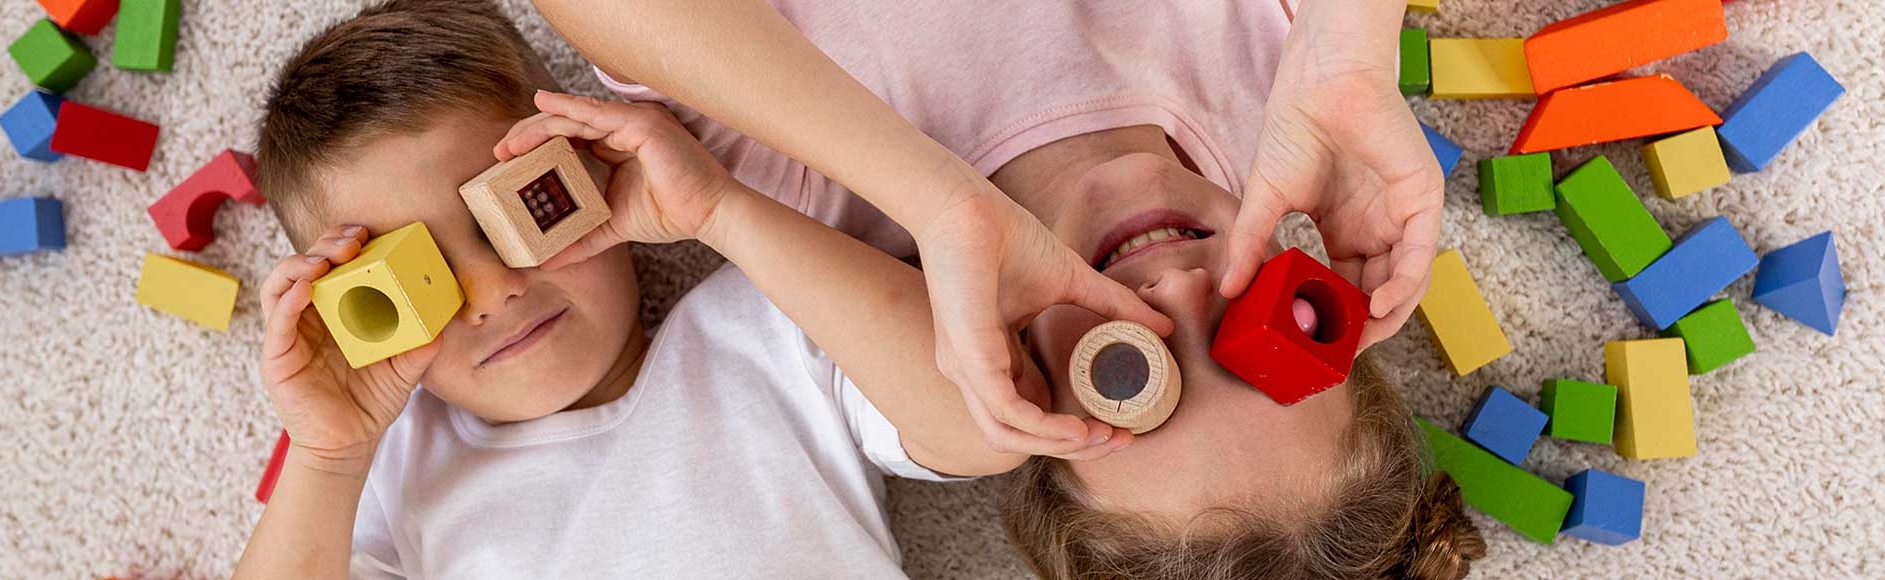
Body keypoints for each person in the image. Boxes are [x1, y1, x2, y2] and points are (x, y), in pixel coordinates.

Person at [526, 0, 1482, 577]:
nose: (1184, 291)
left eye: (1132, 372)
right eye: (1252, 332)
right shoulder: (1285, 82)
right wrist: (1351, 53)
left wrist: (937, 198)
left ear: (1018, 389)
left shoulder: (826, 178)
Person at [230, 1, 1022, 577]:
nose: (492, 291)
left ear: (593, 167)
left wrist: (720, 209)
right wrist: (328, 457)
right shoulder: (396, 465)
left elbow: (987, 422)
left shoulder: (761, 328)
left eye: (519, 210)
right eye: (413, 282)